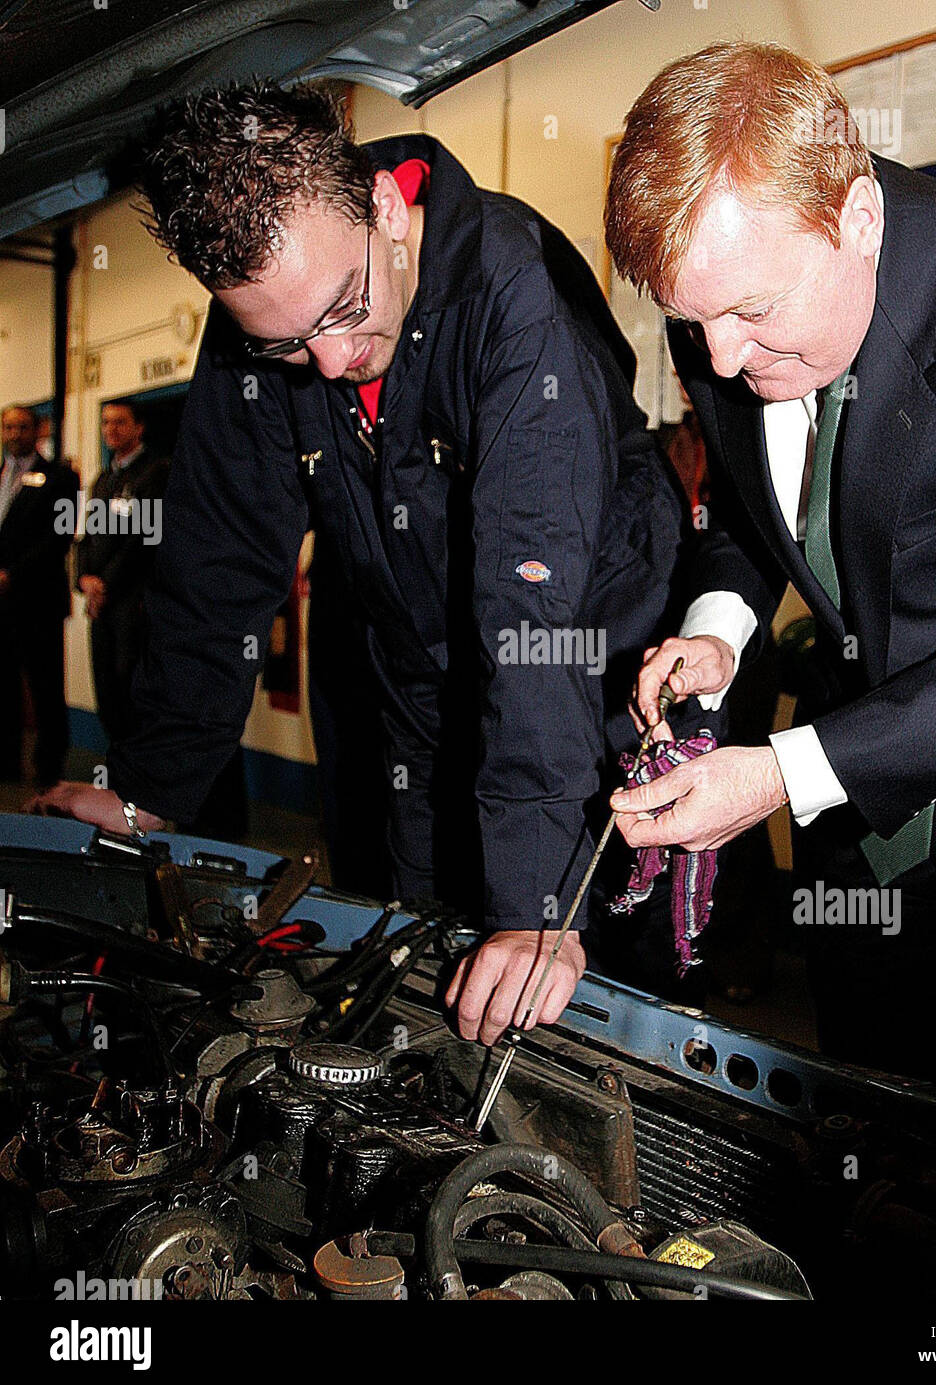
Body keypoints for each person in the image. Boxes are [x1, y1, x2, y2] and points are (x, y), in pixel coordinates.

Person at [30, 81, 685, 1046]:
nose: (331, 362)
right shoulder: (268, 318)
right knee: (423, 980)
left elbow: (531, 611)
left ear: (383, 204)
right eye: (288, 344)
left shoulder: (513, 292)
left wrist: (538, 908)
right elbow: (219, 561)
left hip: (589, 680)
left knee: (575, 996)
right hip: (421, 688)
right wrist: (147, 791)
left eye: (344, 308)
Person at [604, 42, 936, 1080]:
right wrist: (714, 633)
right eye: (691, 326)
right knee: (862, 1121)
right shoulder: (724, 309)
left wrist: (782, 775)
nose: (722, 363)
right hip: (851, 836)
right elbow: (757, 514)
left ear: (858, 219)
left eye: (750, 313)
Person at [76, 400, 170, 742]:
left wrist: (105, 584)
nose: (111, 429)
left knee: (130, 681)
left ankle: (140, 776)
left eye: (119, 422)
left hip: (131, 599)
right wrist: (83, 578)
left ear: (138, 427)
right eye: (105, 423)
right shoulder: (104, 478)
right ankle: (116, 771)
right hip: (100, 599)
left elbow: (144, 540)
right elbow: (88, 536)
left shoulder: (156, 472)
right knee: (106, 687)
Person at [0, 404, 78, 786]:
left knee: (45, 687)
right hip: (0, 604)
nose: (15, 434)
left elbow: (58, 537)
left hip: (38, 599)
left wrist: (12, 573)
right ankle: (6, 763)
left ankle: (49, 769)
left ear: (38, 430)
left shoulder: (59, 477)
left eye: (23, 427)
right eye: (9, 427)